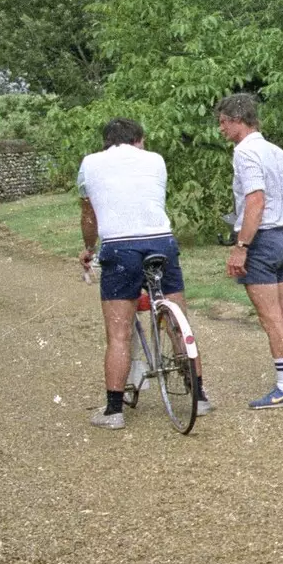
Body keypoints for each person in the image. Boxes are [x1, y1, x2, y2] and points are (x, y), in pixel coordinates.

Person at [77, 117, 211, 429]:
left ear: (106, 141)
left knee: (118, 334)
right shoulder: (156, 160)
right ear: (139, 139)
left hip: (119, 247)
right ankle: (199, 396)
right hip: (161, 242)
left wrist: (88, 248)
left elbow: (89, 214)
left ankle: (113, 412)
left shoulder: (90, 163)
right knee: (179, 323)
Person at [216, 93, 283, 409]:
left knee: (271, 318)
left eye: (222, 123)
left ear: (236, 121)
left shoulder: (245, 153)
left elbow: (254, 200)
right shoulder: (279, 152)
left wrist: (241, 246)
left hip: (262, 240)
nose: (220, 130)